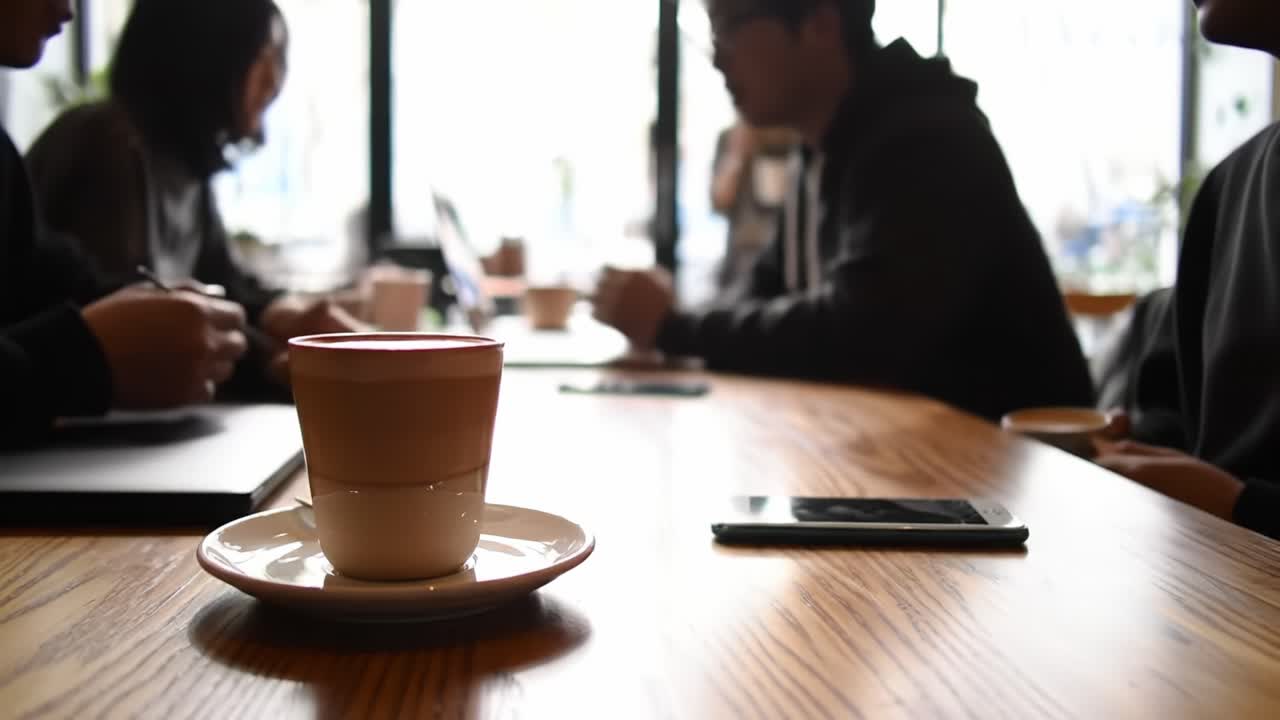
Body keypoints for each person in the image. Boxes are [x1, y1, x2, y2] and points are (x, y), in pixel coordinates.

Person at [593, 0, 1092, 420]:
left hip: (1008, 480)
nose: (717, 59)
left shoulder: (927, 139)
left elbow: (863, 332)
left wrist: (673, 327)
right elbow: (760, 297)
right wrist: (678, 321)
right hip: (904, 461)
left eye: (727, 29)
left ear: (821, 24)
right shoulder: (822, 148)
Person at [25, 0, 358, 396]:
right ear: (210, 50)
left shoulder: (182, 165)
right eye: (264, 54)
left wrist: (283, 313)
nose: (276, 78)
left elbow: (226, 285)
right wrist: (275, 361)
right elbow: (139, 327)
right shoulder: (107, 145)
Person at [1, 0, 249, 447]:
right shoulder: (109, 144)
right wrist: (78, 361)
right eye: (269, 58)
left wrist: (265, 345)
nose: (67, 10)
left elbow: (67, 284)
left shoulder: (190, 170)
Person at [1093, 0, 1280, 540]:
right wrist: (1130, 448)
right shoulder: (1230, 185)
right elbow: (1172, 409)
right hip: (1211, 594)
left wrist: (1238, 505)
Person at [710, 121, 797, 289]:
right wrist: (737, 156)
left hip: (782, 255)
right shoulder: (731, 137)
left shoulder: (793, 137)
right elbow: (718, 202)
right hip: (739, 255)